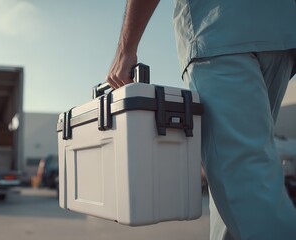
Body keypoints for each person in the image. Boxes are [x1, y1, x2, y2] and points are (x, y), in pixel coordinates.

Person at [106, 0, 296, 239]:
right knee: (232, 181)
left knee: (244, 177)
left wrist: (126, 49)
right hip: (280, 35)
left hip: (218, 30)